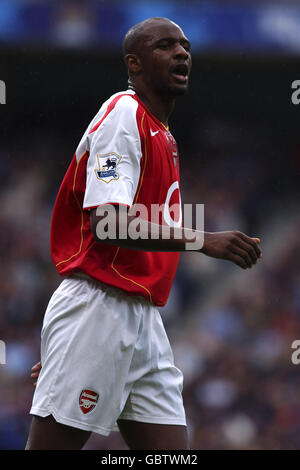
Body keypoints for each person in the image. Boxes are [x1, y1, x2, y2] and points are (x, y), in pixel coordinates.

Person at [25, 17, 262, 450]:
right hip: (99, 305)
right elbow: (109, 222)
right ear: (134, 64)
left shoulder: (163, 134)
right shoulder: (124, 114)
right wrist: (203, 239)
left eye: (185, 46)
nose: (181, 53)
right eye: (165, 46)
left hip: (143, 319)